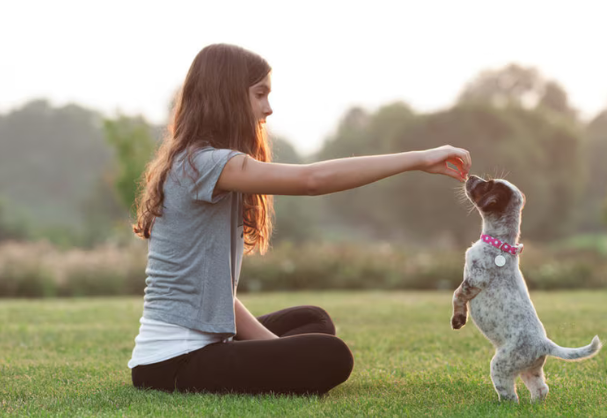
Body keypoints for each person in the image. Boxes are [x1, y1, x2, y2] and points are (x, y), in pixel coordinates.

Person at [127, 43, 471, 396]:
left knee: (313, 321)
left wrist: (273, 349)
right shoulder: (204, 164)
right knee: (330, 354)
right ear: (227, 96)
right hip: (174, 362)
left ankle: (279, 362)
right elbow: (311, 181)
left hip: (199, 348)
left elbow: (219, 297)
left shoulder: (199, 162)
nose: (268, 108)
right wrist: (419, 159)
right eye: (259, 94)